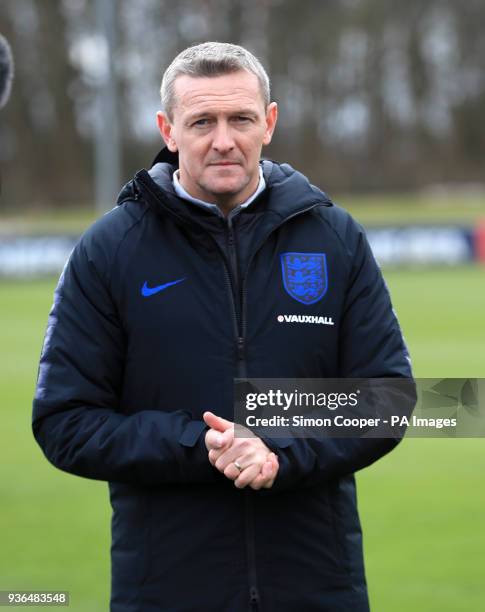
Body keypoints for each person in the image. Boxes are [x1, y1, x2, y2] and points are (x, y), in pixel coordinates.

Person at [32, 42, 413, 611]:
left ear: (270, 122)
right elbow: (65, 420)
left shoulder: (335, 239)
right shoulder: (109, 250)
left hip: (316, 589)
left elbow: (389, 398)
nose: (223, 140)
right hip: (166, 591)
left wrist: (278, 450)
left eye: (241, 119)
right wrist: (200, 444)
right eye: (201, 121)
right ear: (168, 129)